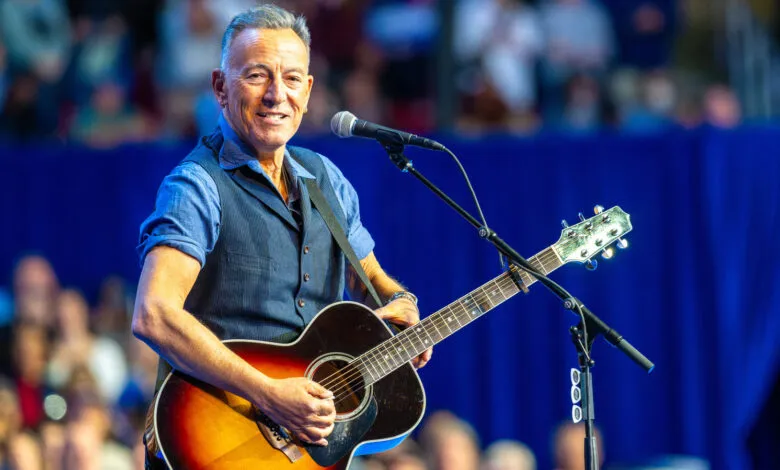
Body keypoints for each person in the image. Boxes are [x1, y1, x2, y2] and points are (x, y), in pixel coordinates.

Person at [132, 4, 432, 467]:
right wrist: (269, 393)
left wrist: (400, 300)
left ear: (308, 92)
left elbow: (367, 276)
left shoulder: (325, 178)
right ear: (219, 87)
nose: (277, 95)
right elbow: (154, 314)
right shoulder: (196, 185)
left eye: (292, 79)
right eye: (257, 76)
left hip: (305, 449)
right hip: (219, 443)